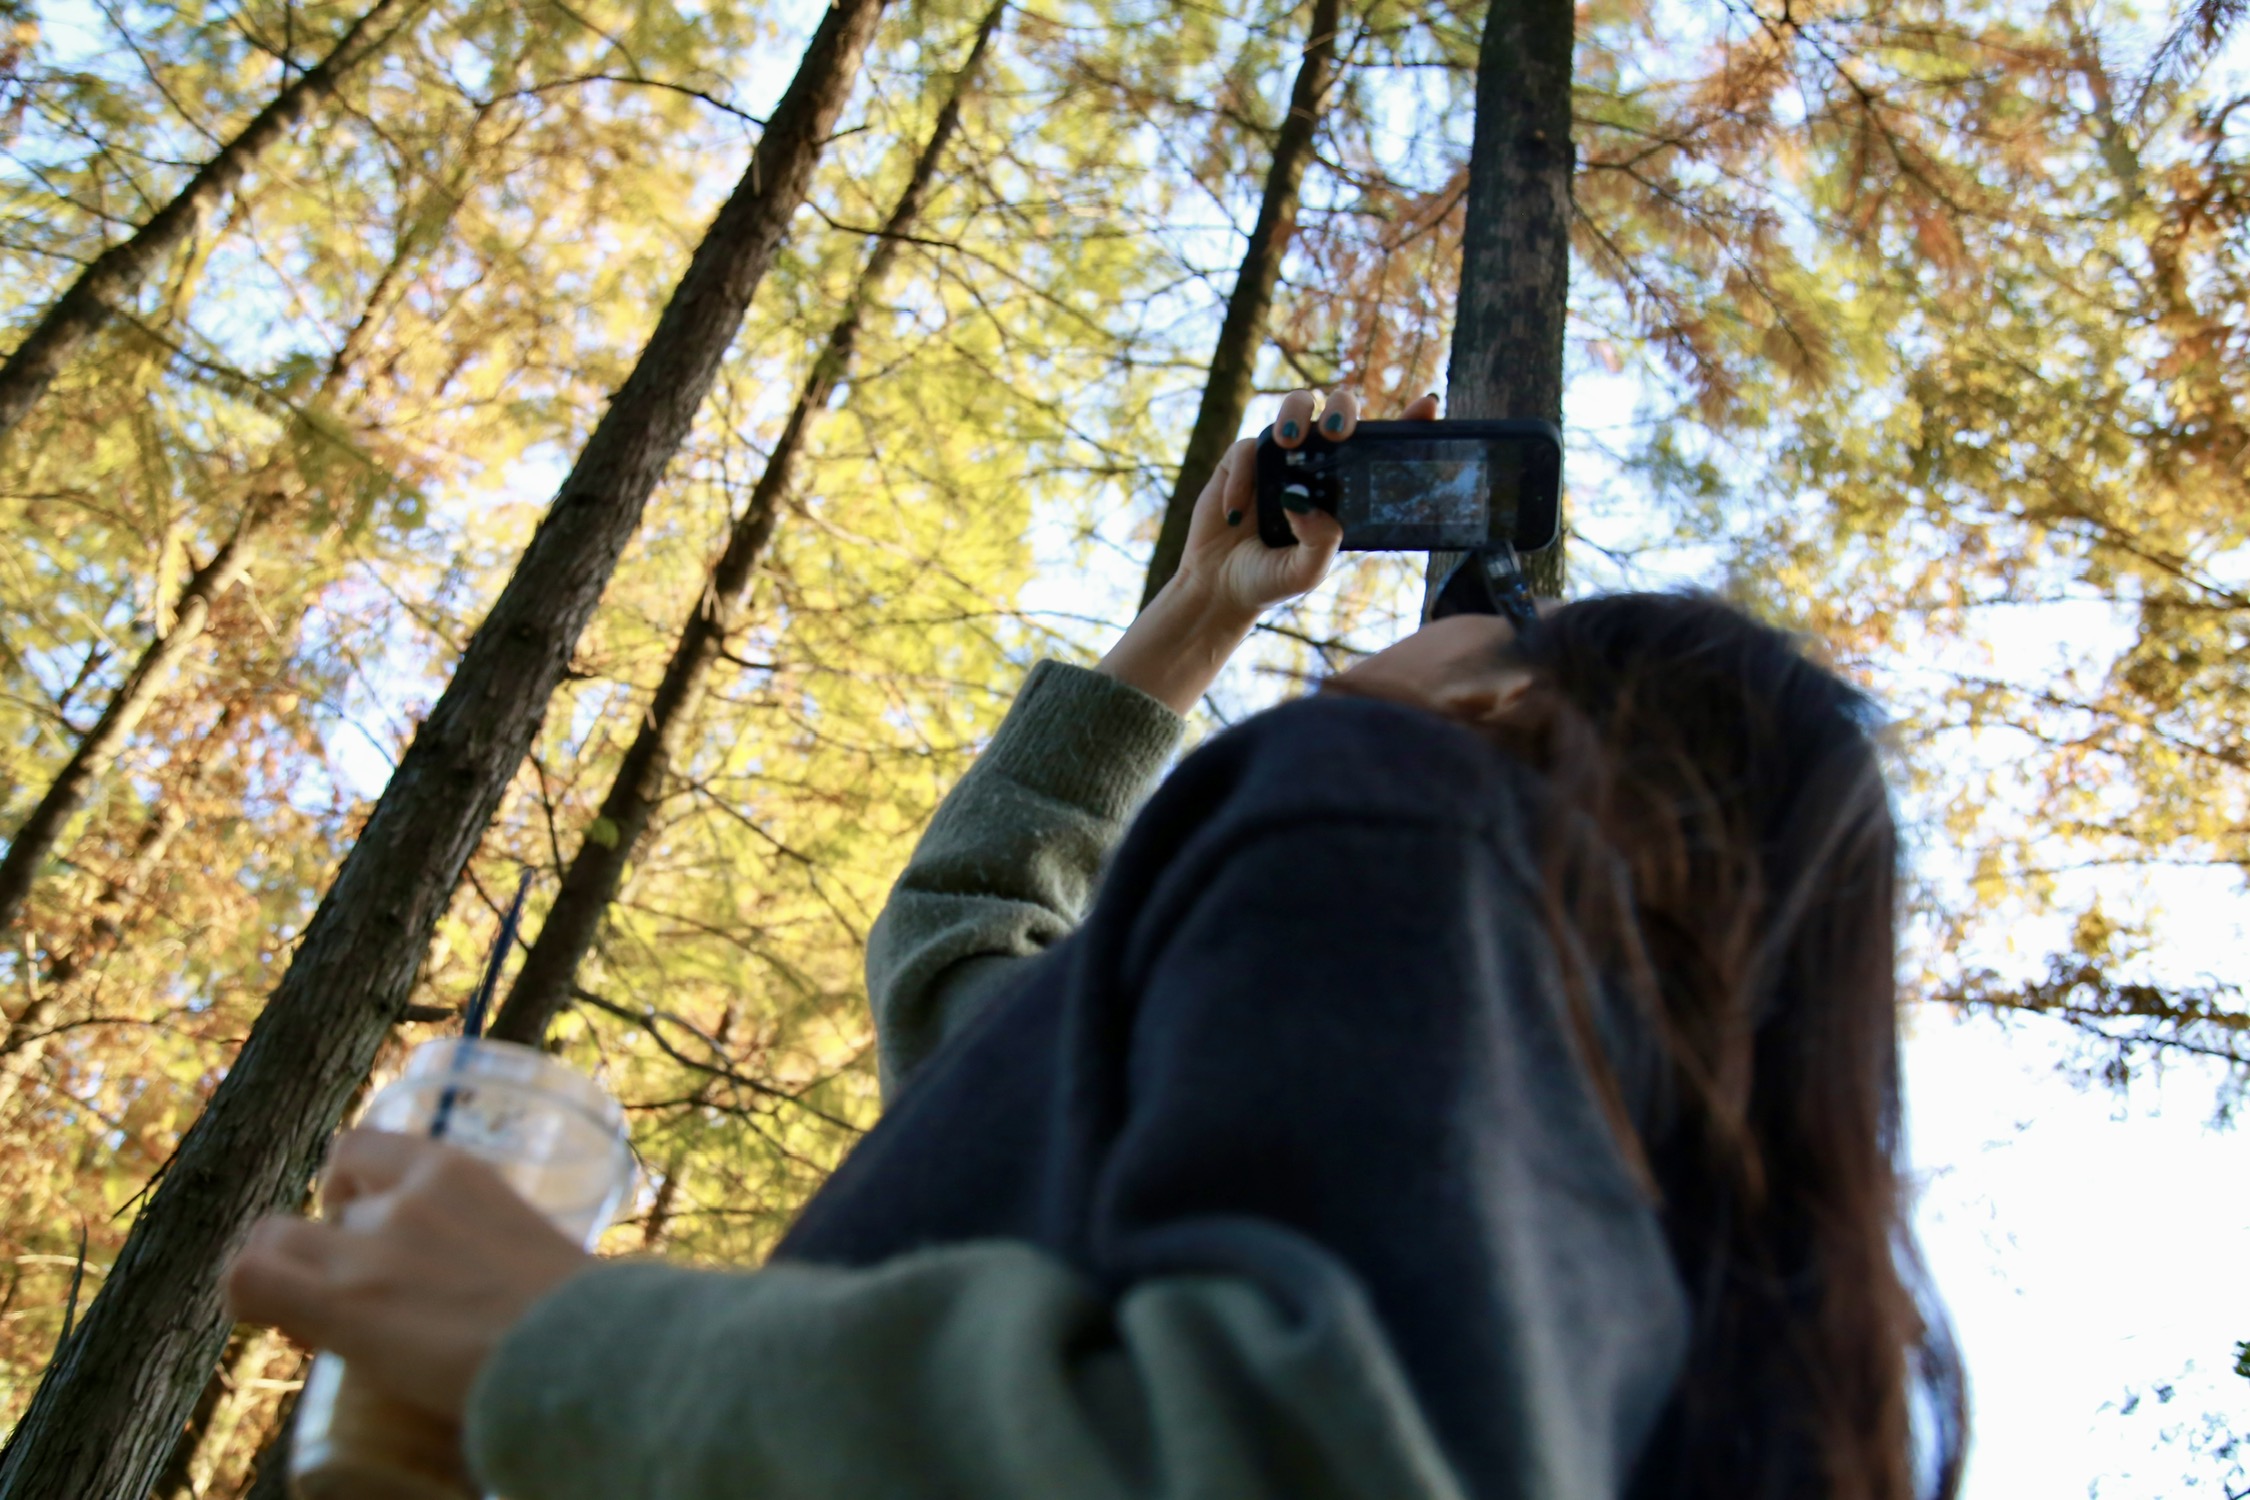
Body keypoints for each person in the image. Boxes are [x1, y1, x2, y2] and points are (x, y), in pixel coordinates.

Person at [229, 386, 1968, 1500]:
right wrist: (1198, 613)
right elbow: (967, 962)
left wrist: (568, 1349)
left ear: (1516, 707)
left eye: (1512, 622)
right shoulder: (1594, 1205)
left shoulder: (1419, 809)